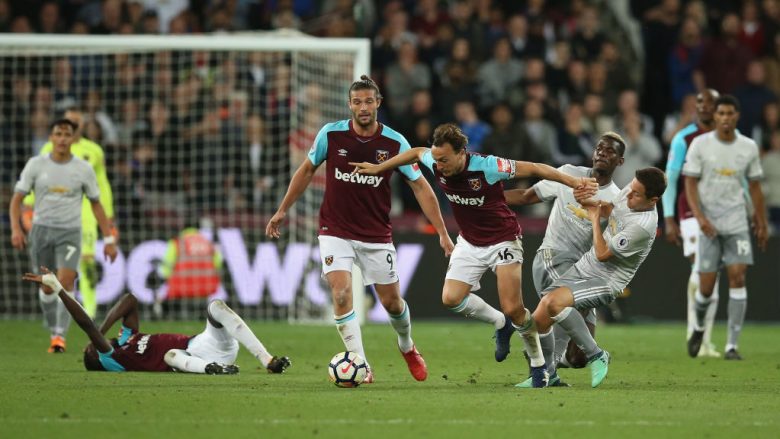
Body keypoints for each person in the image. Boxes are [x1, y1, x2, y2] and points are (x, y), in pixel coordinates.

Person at [350, 123, 598, 388]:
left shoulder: (488, 166)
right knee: (451, 298)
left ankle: (539, 367)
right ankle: (499, 322)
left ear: (461, 153)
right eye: (436, 159)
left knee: (515, 308)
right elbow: (414, 153)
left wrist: (573, 182)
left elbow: (537, 168)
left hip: (503, 239)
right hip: (469, 241)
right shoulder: (434, 159)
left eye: (444, 160)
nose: (439, 166)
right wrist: (379, 168)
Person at [266, 75, 454, 384]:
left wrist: (443, 233)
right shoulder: (331, 135)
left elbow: (421, 187)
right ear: (349, 105)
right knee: (341, 294)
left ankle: (407, 346)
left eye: (369, 101)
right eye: (357, 102)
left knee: (392, 303)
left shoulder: (395, 143)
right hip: (334, 229)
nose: (363, 107)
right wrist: (282, 209)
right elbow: (306, 169)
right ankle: (361, 364)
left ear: (378, 103)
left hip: (375, 233)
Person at [504, 132, 625, 387]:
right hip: (553, 258)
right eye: (600, 148)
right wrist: (487, 201)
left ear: (620, 161)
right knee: (553, 309)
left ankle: (551, 369)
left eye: (610, 151)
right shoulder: (569, 174)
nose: (603, 152)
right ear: (593, 153)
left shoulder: (616, 200)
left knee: (575, 356)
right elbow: (527, 196)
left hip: (584, 270)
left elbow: (611, 245)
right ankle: (594, 355)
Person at [530, 167, 665, 388]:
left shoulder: (643, 226)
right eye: (631, 188)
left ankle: (597, 354)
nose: (628, 194)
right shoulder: (630, 192)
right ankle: (549, 374)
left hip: (606, 280)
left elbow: (603, 255)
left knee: (552, 303)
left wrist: (593, 219)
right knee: (540, 319)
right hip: (584, 267)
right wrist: (590, 203)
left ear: (653, 200)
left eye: (636, 194)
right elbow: (610, 209)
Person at [22, 267, 291, 374]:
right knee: (170, 355)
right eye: (94, 348)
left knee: (216, 306)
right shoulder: (113, 357)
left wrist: (104, 329)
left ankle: (268, 360)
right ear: (100, 361)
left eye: (94, 345)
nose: (96, 344)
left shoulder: (127, 338)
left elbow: (129, 299)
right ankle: (213, 369)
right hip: (191, 359)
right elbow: (86, 325)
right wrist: (59, 289)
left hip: (206, 343)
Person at [9, 119, 118, 353]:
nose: (62, 138)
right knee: (47, 287)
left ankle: (59, 336)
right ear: (51, 138)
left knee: (66, 280)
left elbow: (97, 204)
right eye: (58, 133)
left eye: (66, 134)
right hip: (41, 231)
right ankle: (53, 328)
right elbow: (17, 199)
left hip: (70, 232)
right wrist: (16, 229)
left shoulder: (83, 169)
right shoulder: (36, 165)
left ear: (72, 138)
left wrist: (108, 239)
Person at [684, 95, 768, 360]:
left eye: (730, 113)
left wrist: (760, 221)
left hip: (736, 222)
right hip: (709, 225)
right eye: (721, 113)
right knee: (706, 288)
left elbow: (754, 186)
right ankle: (697, 327)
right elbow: (690, 182)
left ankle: (732, 345)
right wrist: (700, 218)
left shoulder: (748, 147)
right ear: (716, 116)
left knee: (738, 276)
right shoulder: (700, 144)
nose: (725, 118)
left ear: (737, 117)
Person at [662, 89, 722, 358]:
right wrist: (669, 217)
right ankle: (695, 333)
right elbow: (671, 179)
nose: (705, 106)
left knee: (713, 276)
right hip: (690, 213)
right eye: (700, 102)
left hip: (721, 215)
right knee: (702, 267)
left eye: (711, 102)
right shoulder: (683, 138)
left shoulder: (729, 140)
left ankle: (704, 340)